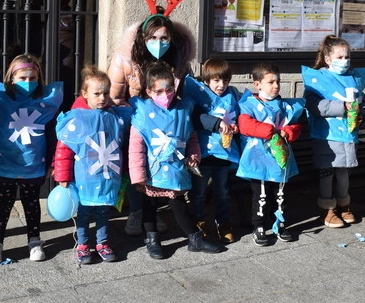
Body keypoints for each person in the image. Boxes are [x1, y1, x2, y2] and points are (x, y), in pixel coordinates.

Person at [108, 0, 193, 236]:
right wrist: (137, 118)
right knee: (139, 166)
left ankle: (153, 212)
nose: (159, 42)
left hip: (168, 126)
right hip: (136, 123)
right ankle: (137, 214)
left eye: (164, 38)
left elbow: (184, 96)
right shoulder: (125, 60)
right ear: (143, 37)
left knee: (161, 165)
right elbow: (115, 97)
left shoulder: (179, 62)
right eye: (153, 37)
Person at [0, 54, 63, 265]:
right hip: (5, 164)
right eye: (22, 78)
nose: (28, 82)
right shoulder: (0, 102)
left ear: (39, 79)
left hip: (33, 164)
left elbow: (52, 136)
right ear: (11, 78)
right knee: (3, 203)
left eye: (32, 78)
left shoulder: (45, 104)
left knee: (31, 203)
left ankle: (34, 240)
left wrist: (53, 163)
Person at [128, 61, 222, 259]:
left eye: (169, 89)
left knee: (178, 203)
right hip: (152, 171)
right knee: (149, 205)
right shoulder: (142, 113)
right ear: (149, 91)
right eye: (159, 91)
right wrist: (138, 175)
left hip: (175, 168)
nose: (165, 95)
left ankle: (194, 238)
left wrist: (194, 155)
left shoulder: (183, 110)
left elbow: (192, 136)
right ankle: (152, 240)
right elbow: (135, 147)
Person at [54, 65, 132, 265]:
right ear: (84, 94)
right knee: (85, 212)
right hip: (85, 178)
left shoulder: (114, 117)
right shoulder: (77, 118)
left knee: (104, 210)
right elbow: (64, 149)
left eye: (106, 93)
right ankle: (82, 244)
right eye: (96, 93)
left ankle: (102, 242)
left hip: (107, 175)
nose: (102, 98)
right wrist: (62, 176)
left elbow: (119, 146)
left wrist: (123, 171)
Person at [302, 35, 365, 228]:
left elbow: (363, 103)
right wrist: (342, 106)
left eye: (347, 57)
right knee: (326, 173)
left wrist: (362, 115)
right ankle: (327, 207)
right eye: (339, 57)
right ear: (327, 59)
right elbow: (314, 105)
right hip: (327, 136)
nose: (344, 61)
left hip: (347, 136)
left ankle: (344, 204)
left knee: (343, 173)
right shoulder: (318, 80)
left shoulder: (353, 79)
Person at [237, 61, 305, 246]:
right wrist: (271, 131)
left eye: (278, 82)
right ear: (257, 84)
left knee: (280, 195)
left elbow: (296, 126)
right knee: (260, 196)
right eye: (270, 82)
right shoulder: (248, 104)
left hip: (280, 160)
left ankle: (280, 223)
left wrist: (289, 132)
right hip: (258, 159)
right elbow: (245, 125)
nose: (276, 86)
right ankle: (258, 226)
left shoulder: (284, 105)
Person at [183, 58, 241, 243]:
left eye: (225, 80)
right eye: (216, 80)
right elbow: (196, 117)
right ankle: (199, 222)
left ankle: (223, 223)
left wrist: (237, 127)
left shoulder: (233, 95)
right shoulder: (200, 96)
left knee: (222, 192)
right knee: (198, 192)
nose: (221, 85)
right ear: (206, 81)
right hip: (203, 154)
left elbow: (239, 115)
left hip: (224, 155)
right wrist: (217, 123)